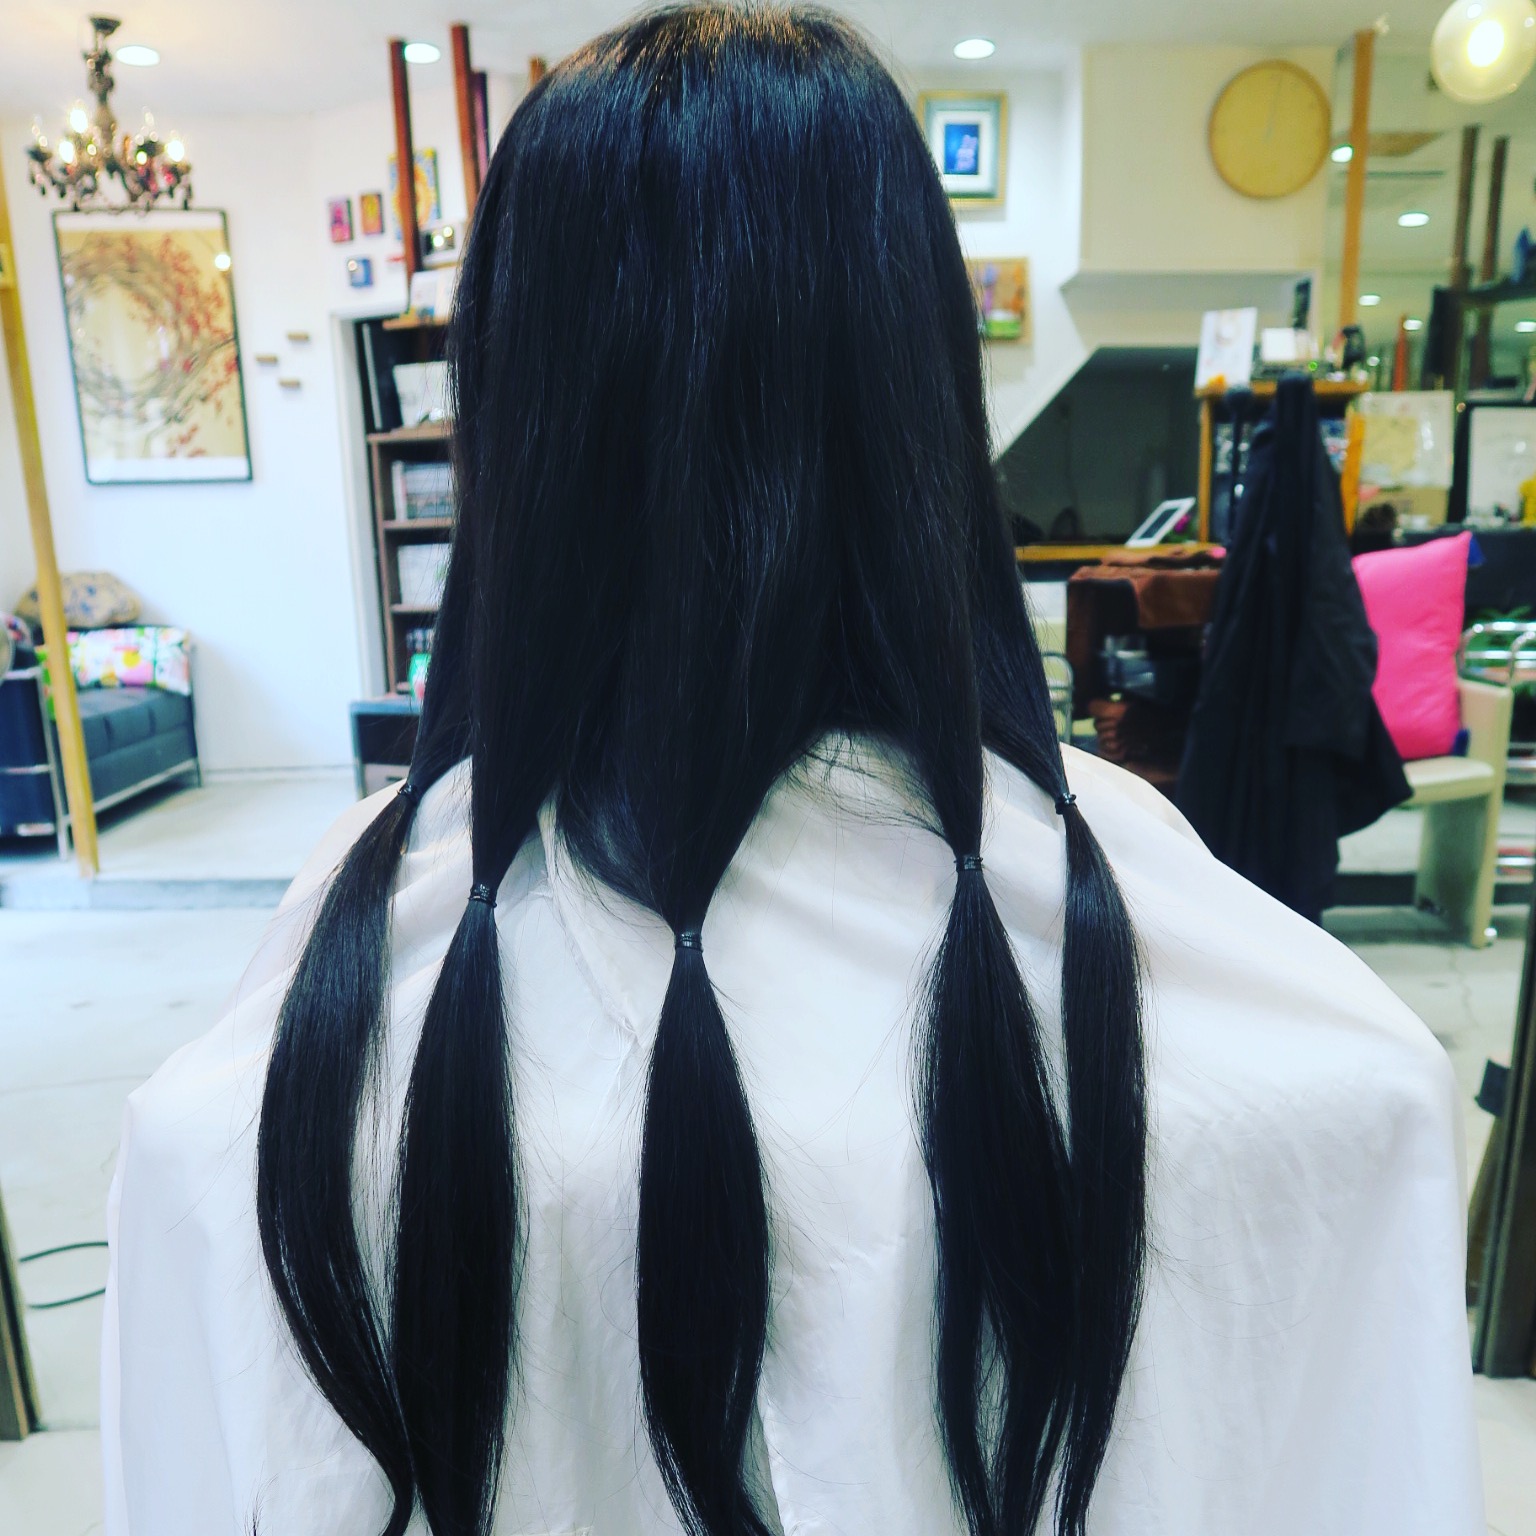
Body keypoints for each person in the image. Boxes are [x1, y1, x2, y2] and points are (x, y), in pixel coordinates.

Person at [103, 9, 1482, 1535]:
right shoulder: (1112, 883)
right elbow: (1367, 1128)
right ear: (920, 395)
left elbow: (193, 1222)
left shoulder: (344, 964)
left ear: (512, 411)